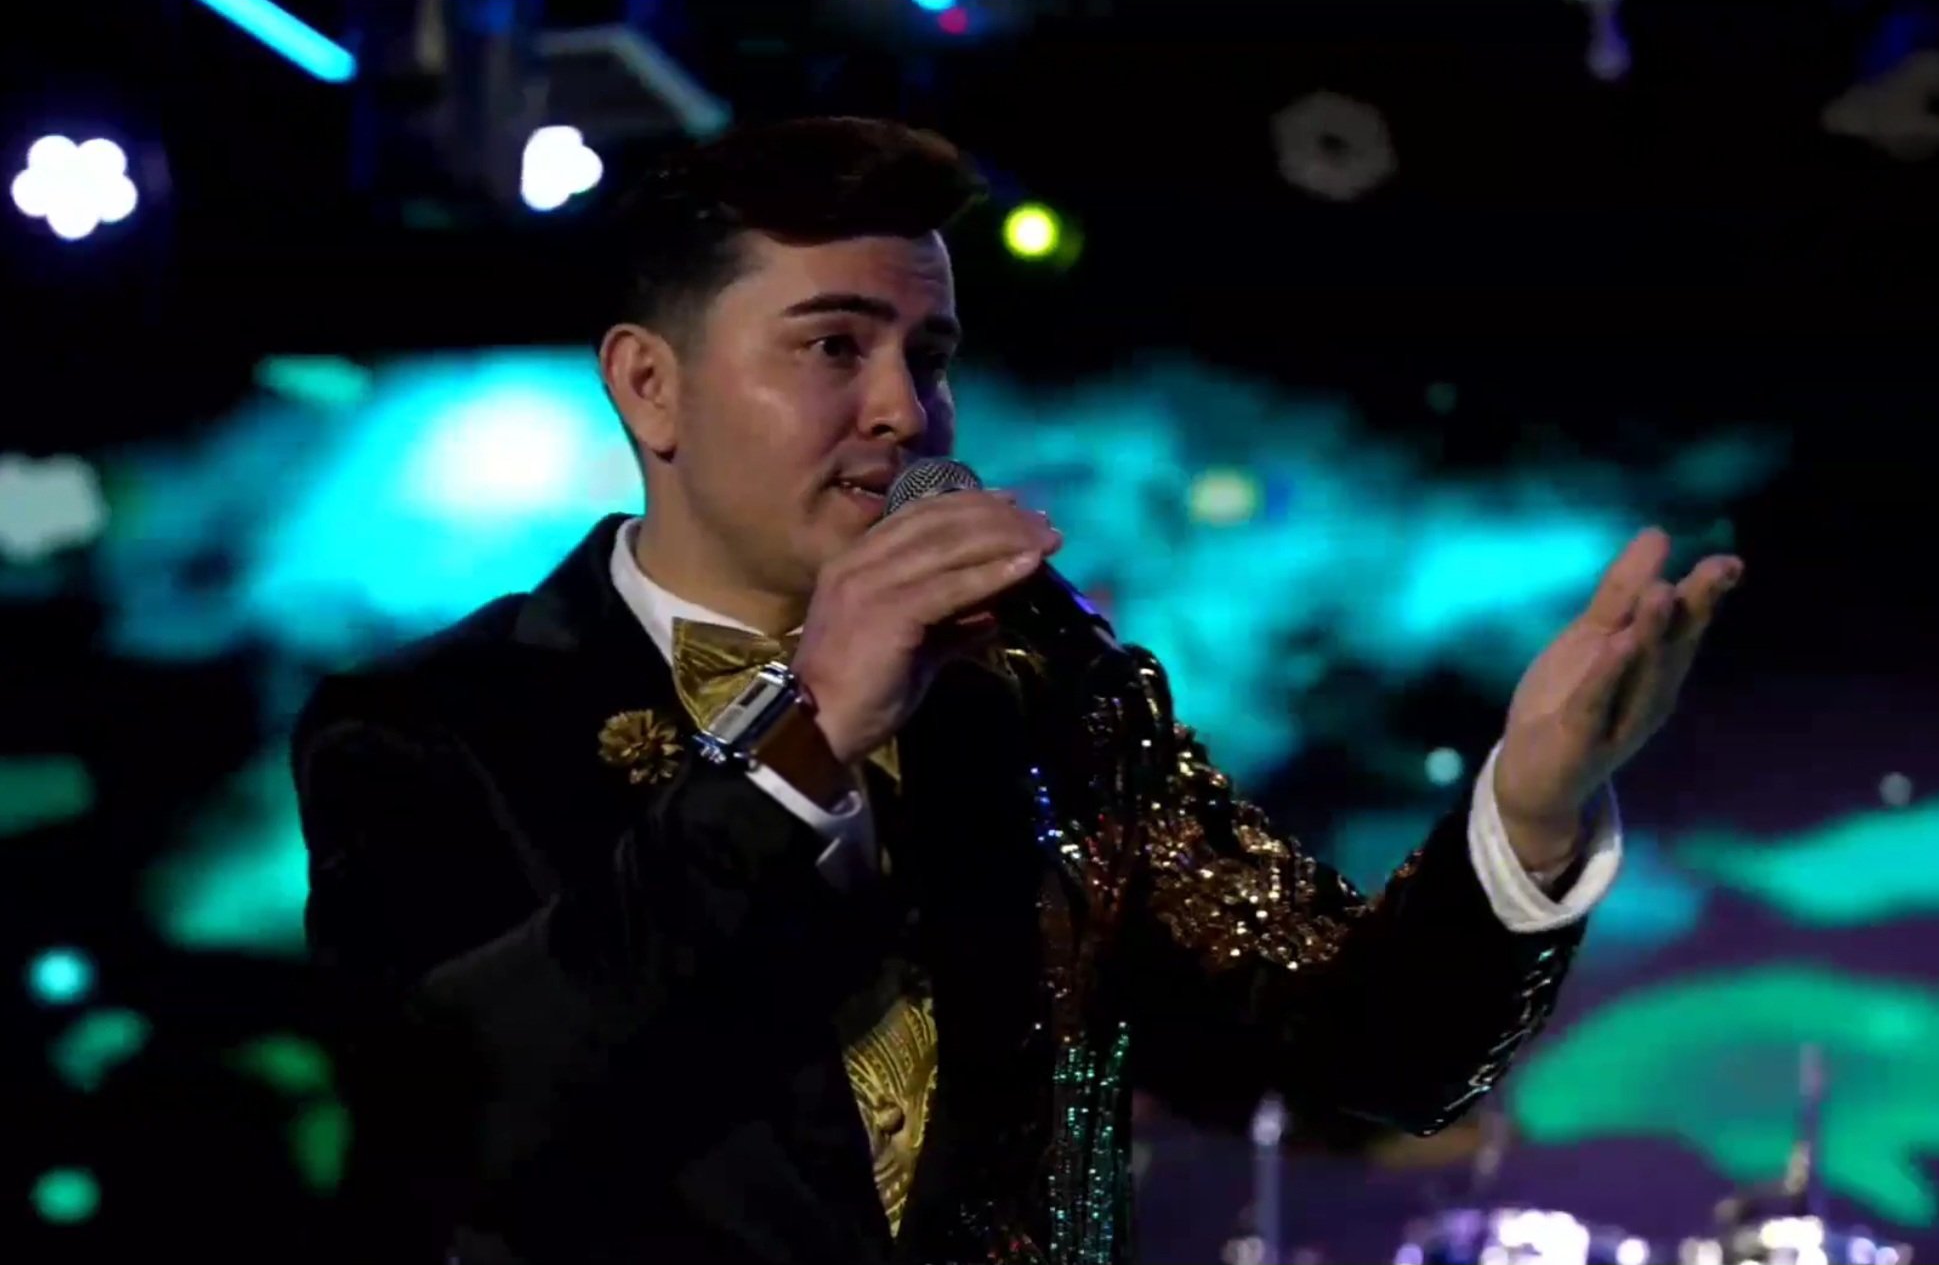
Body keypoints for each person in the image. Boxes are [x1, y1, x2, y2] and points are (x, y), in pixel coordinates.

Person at [293, 116, 1743, 1265]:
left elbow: (1371, 1051)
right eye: (830, 345)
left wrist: (1532, 816)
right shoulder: (437, 727)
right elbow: (454, 1112)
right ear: (649, 387)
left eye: (928, 357)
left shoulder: (1039, 691)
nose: (897, 410)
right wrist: (806, 741)